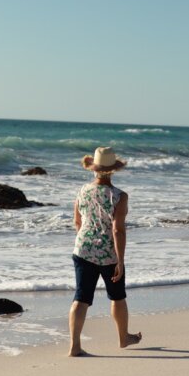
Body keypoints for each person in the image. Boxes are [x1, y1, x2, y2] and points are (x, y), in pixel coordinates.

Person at [69, 147, 142, 357]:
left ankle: (74, 346)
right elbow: (118, 230)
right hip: (109, 253)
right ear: (113, 171)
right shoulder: (119, 196)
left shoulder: (82, 191)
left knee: (81, 298)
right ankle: (123, 338)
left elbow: (77, 222)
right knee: (117, 297)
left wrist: (87, 241)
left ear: (94, 169)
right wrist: (120, 260)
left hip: (82, 249)